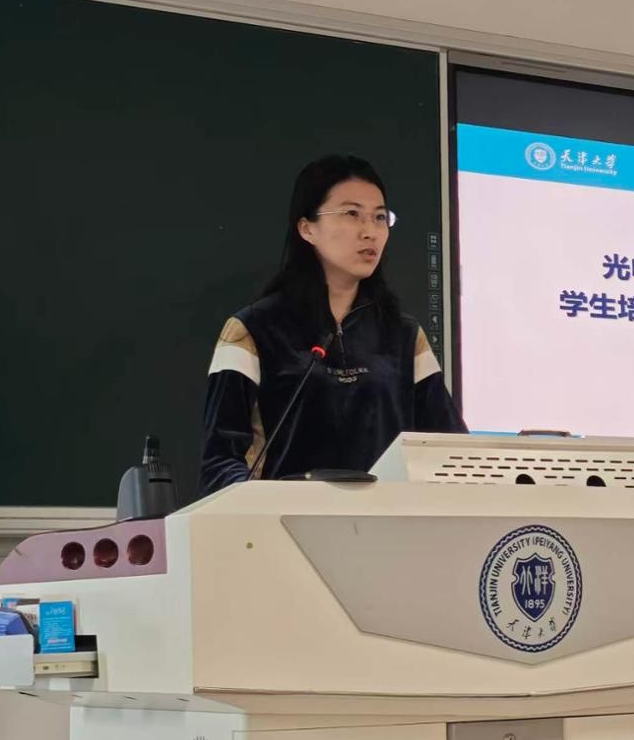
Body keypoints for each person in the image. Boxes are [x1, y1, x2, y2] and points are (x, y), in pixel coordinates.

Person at [199, 155, 467, 496]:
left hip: (388, 522)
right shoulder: (252, 329)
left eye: (380, 217)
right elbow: (220, 463)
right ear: (307, 228)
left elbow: (450, 451)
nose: (370, 231)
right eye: (352, 214)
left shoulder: (404, 335)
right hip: (284, 522)